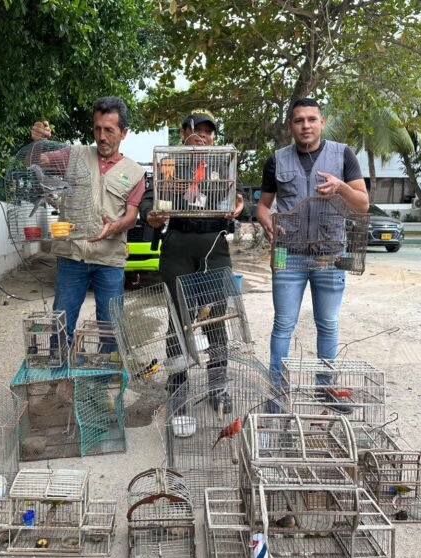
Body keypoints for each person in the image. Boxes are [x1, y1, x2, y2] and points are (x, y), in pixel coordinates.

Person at [256, 97, 369, 404]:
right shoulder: (277, 159)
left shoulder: (343, 155)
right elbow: (263, 207)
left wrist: (341, 187)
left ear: (322, 122)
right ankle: (276, 395)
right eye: (298, 120)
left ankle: (325, 390)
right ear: (290, 125)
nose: (305, 125)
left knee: (328, 324)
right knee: (283, 325)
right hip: (287, 254)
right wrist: (267, 224)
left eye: (311, 119)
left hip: (330, 255)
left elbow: (362, 204)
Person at [139, 110, 244, 413]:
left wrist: (240, 203)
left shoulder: (223, 162)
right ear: (184, 133)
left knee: (216, 319)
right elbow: (150, 196)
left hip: (214, 246)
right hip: (178, 246)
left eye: (209, 131)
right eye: (197, 130)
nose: (203, 136)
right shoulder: (170, 163)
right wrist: (150, 213)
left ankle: (218, 386)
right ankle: (178, 389)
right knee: (178, 321)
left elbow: (238, 196)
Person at [29, 96, 146, 346]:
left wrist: (115, 227)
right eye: (97, 129)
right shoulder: (74, 155)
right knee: (60, 327)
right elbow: (37, 161)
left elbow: (131, 214)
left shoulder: (135, 172)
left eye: (109, 130)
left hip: (109, 260)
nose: (101, 137)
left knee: (111, 329)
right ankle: (61, 378)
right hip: (72, 256)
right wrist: (39, 143)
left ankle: (106, 380)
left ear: (124, 133)